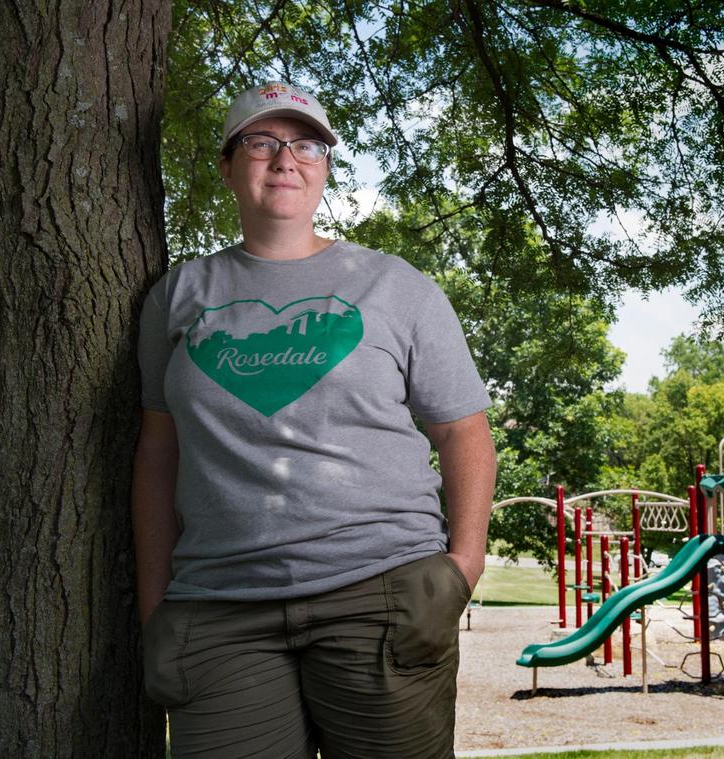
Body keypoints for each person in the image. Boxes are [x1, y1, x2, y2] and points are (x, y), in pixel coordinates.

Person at [132, 80, 497, 759]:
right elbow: (158, 452)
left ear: (325, 166)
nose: (284, 159)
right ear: (227, 164)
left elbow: (463, 432)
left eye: (305, 144)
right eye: (261, 142)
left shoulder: (396, 286)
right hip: (219, 610)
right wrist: (157, 607)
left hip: (384, 597)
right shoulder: (178, 295)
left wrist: (462, 567)